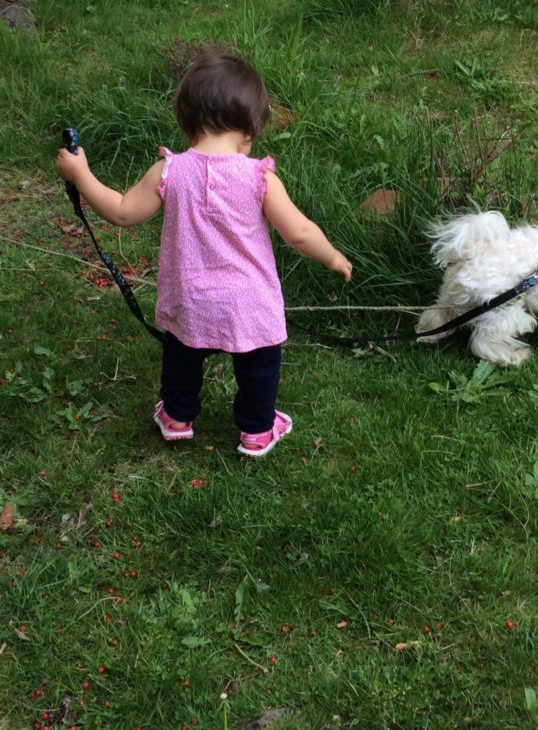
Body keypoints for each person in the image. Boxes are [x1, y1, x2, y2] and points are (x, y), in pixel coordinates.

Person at [57, 53, 352, 458]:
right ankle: (257, 430)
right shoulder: (259, 177)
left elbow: (123, 211)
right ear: (250, 129)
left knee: (181, 357)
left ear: (186, 119)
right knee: (259, 365)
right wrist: (333, 257)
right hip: (249, 302)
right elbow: (299, 233)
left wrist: (81, 176)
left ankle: (177, 417)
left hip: (190, 298)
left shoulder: (169, 171)